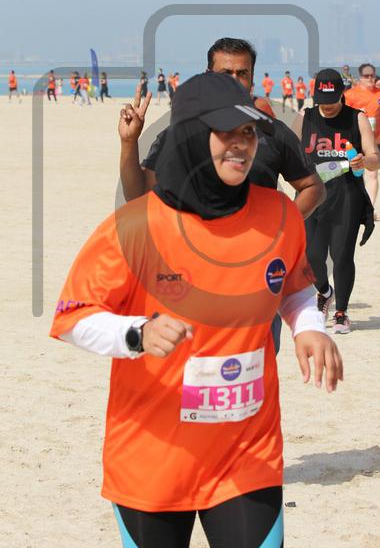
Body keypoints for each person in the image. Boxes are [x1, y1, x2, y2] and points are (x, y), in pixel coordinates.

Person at [50, 72, 342, 548]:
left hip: (247, 452)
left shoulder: (279, 214)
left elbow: (293, 286)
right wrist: (136, 333)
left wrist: (308, 327)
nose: (241, 145)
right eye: (226, 132)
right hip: (152, 458)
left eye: (248, 133)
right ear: (188, 135)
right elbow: (72, 317)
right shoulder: (136, 225)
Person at [119, 38, 325, 353]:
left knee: (255, 368)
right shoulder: (181, 133)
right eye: (225, 73)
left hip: (256, 278)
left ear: (252, 79)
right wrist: (129, 143)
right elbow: (139, 195)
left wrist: (281, 230)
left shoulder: (271, 133)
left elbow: (312, 187)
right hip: (192, 276)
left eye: (242, 73)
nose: (234, 80)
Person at [297, 69, 379, 333]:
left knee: (342, 255)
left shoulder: (357, 118)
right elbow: (288, 152)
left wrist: (364, 161)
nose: (328, 106)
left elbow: (375, 158)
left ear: (342, 94)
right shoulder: (305, 117)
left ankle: (341, 311)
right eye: (322, 101)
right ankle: (324, 291)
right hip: (311, 195)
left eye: (332, 100)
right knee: (311, 257)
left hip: (347, 195)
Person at [344, 63, 380, 212]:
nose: (370, 78)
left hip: (375, 140)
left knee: (372, 174)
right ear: (360, 77)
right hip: (354, 141)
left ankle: (370, 208)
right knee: (353, 175)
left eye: (372, 75)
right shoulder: (350, 94)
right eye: (366, 76)